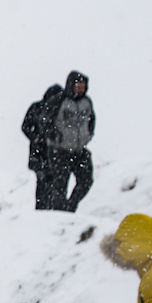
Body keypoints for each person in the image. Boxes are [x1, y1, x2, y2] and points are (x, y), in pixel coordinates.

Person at [36, 72, 96, 212]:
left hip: (79, 149)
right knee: (60, 184)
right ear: (71, 85)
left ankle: (71, 206)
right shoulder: (58, 101)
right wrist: (55, 136)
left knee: (86, 180)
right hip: (59, 150)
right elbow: (44, 121)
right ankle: (59, 213)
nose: (81, 89)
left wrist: (89, 135)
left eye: (83, 87)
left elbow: (92, 119)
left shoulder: (87, 102)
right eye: (78, 86)